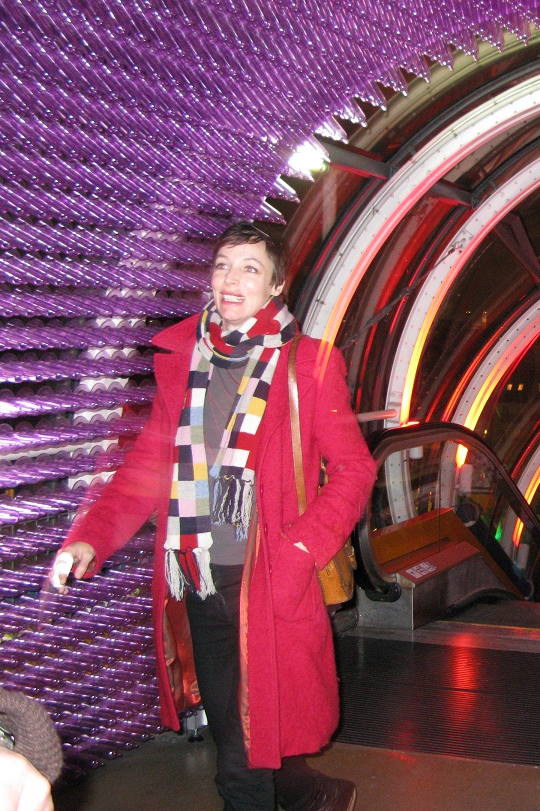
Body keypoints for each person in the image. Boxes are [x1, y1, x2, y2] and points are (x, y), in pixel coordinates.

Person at [49, 222, 376, 811]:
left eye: (250, 268)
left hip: (267, 581)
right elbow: (146, 469)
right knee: (236, 728)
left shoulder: (308, 365)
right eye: (223, 264)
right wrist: (89, 539)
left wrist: (301, 551)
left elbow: (354, 470)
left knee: (241, 762)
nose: (231, 279)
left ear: (276, 285)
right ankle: (314, 796)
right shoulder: (185, 362)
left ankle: (277, 795)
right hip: (197, 577)